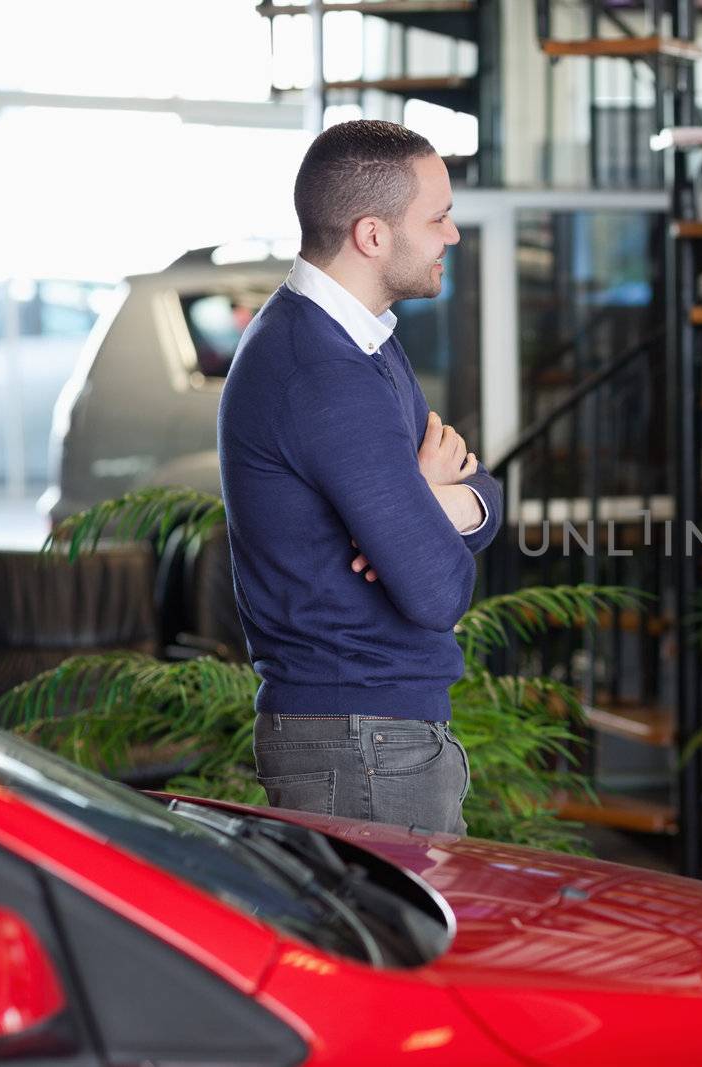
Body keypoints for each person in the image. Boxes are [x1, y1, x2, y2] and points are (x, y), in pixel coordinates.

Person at [219, 120, 501, 835]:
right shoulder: (323, 369)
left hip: (372, 734)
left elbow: (484, 488)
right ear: (372, 235)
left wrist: (435, 504)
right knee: (389, 951)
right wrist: (426, 508)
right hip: (361, 741)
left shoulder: (364, 341)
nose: (453, 236)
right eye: (437, 218)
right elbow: (439, 588)